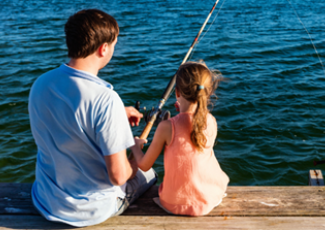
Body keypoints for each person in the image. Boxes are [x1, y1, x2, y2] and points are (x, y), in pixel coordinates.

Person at [28, 9, 157, 227]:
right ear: (103, 48)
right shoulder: (106, 100)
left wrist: (117, 114)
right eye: (114, 44)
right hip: (89, 210)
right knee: (150, 174)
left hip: (45, 200)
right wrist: (137, 156)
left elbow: (71, 115)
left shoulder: (41, 84)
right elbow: (118, 177)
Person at [131, 62, 229, 216]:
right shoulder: (211, 121)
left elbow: (144, 165)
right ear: (207, 93)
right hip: (206, 201)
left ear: (177, 92)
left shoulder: (166, 127)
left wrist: (136, 147)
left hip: (172, 203)